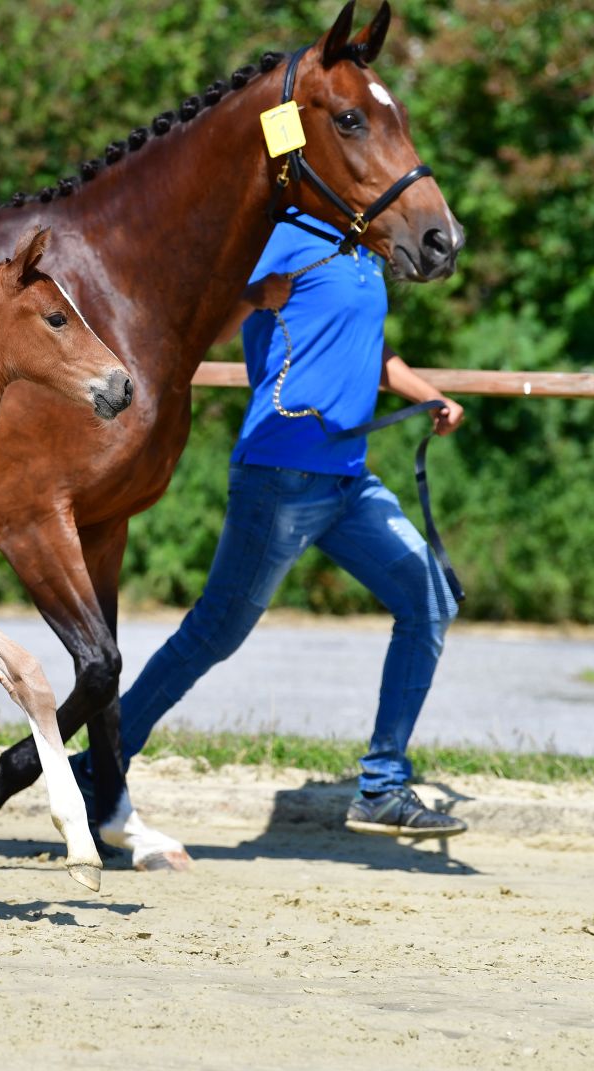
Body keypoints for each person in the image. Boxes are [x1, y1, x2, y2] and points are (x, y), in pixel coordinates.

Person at [72, 209, 467, 839]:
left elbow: (369, 347)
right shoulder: (280, 233)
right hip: (279, 477)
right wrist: (256, 295)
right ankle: (99, 766)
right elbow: (218, 322)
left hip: (348, 480)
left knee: (430, 599)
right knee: (212, 636)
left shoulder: (364, 249)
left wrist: (427, 395)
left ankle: (383, 785)